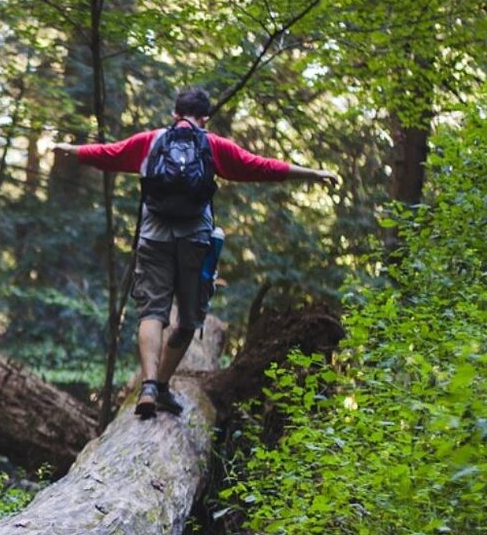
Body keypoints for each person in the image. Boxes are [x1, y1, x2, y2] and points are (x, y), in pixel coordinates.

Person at [53, 87, 338, 418]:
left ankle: (147, 386)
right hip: (195, 239)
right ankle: (161, 386)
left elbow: (107, 154)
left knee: (153, 314)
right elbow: (261, 166)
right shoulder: (213, 145)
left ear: (175, 114)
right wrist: (313, 173)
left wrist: (70, 149)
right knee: (188, 321)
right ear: (204, 119)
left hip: (154, 236)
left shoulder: (151, 141)